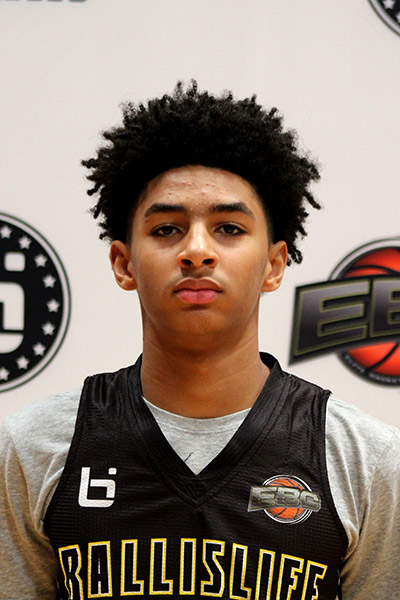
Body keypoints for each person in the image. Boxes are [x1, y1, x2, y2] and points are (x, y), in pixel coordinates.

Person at [0, 81, 399, 600]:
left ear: (274, 265)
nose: (196, 250)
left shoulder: (365, 460)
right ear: (124, 263)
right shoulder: (33, 449)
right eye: (166, 229)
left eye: (229, 228)